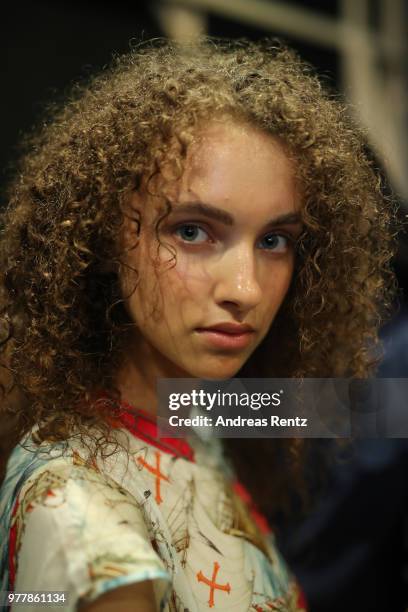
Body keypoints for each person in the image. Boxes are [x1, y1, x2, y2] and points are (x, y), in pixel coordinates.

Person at [0, 36, 395, 611]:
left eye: (276, 240)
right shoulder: (83, 519)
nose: (246, 290)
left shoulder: (186, 411)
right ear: (107, 235)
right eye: (192, 231)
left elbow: (350, 409)